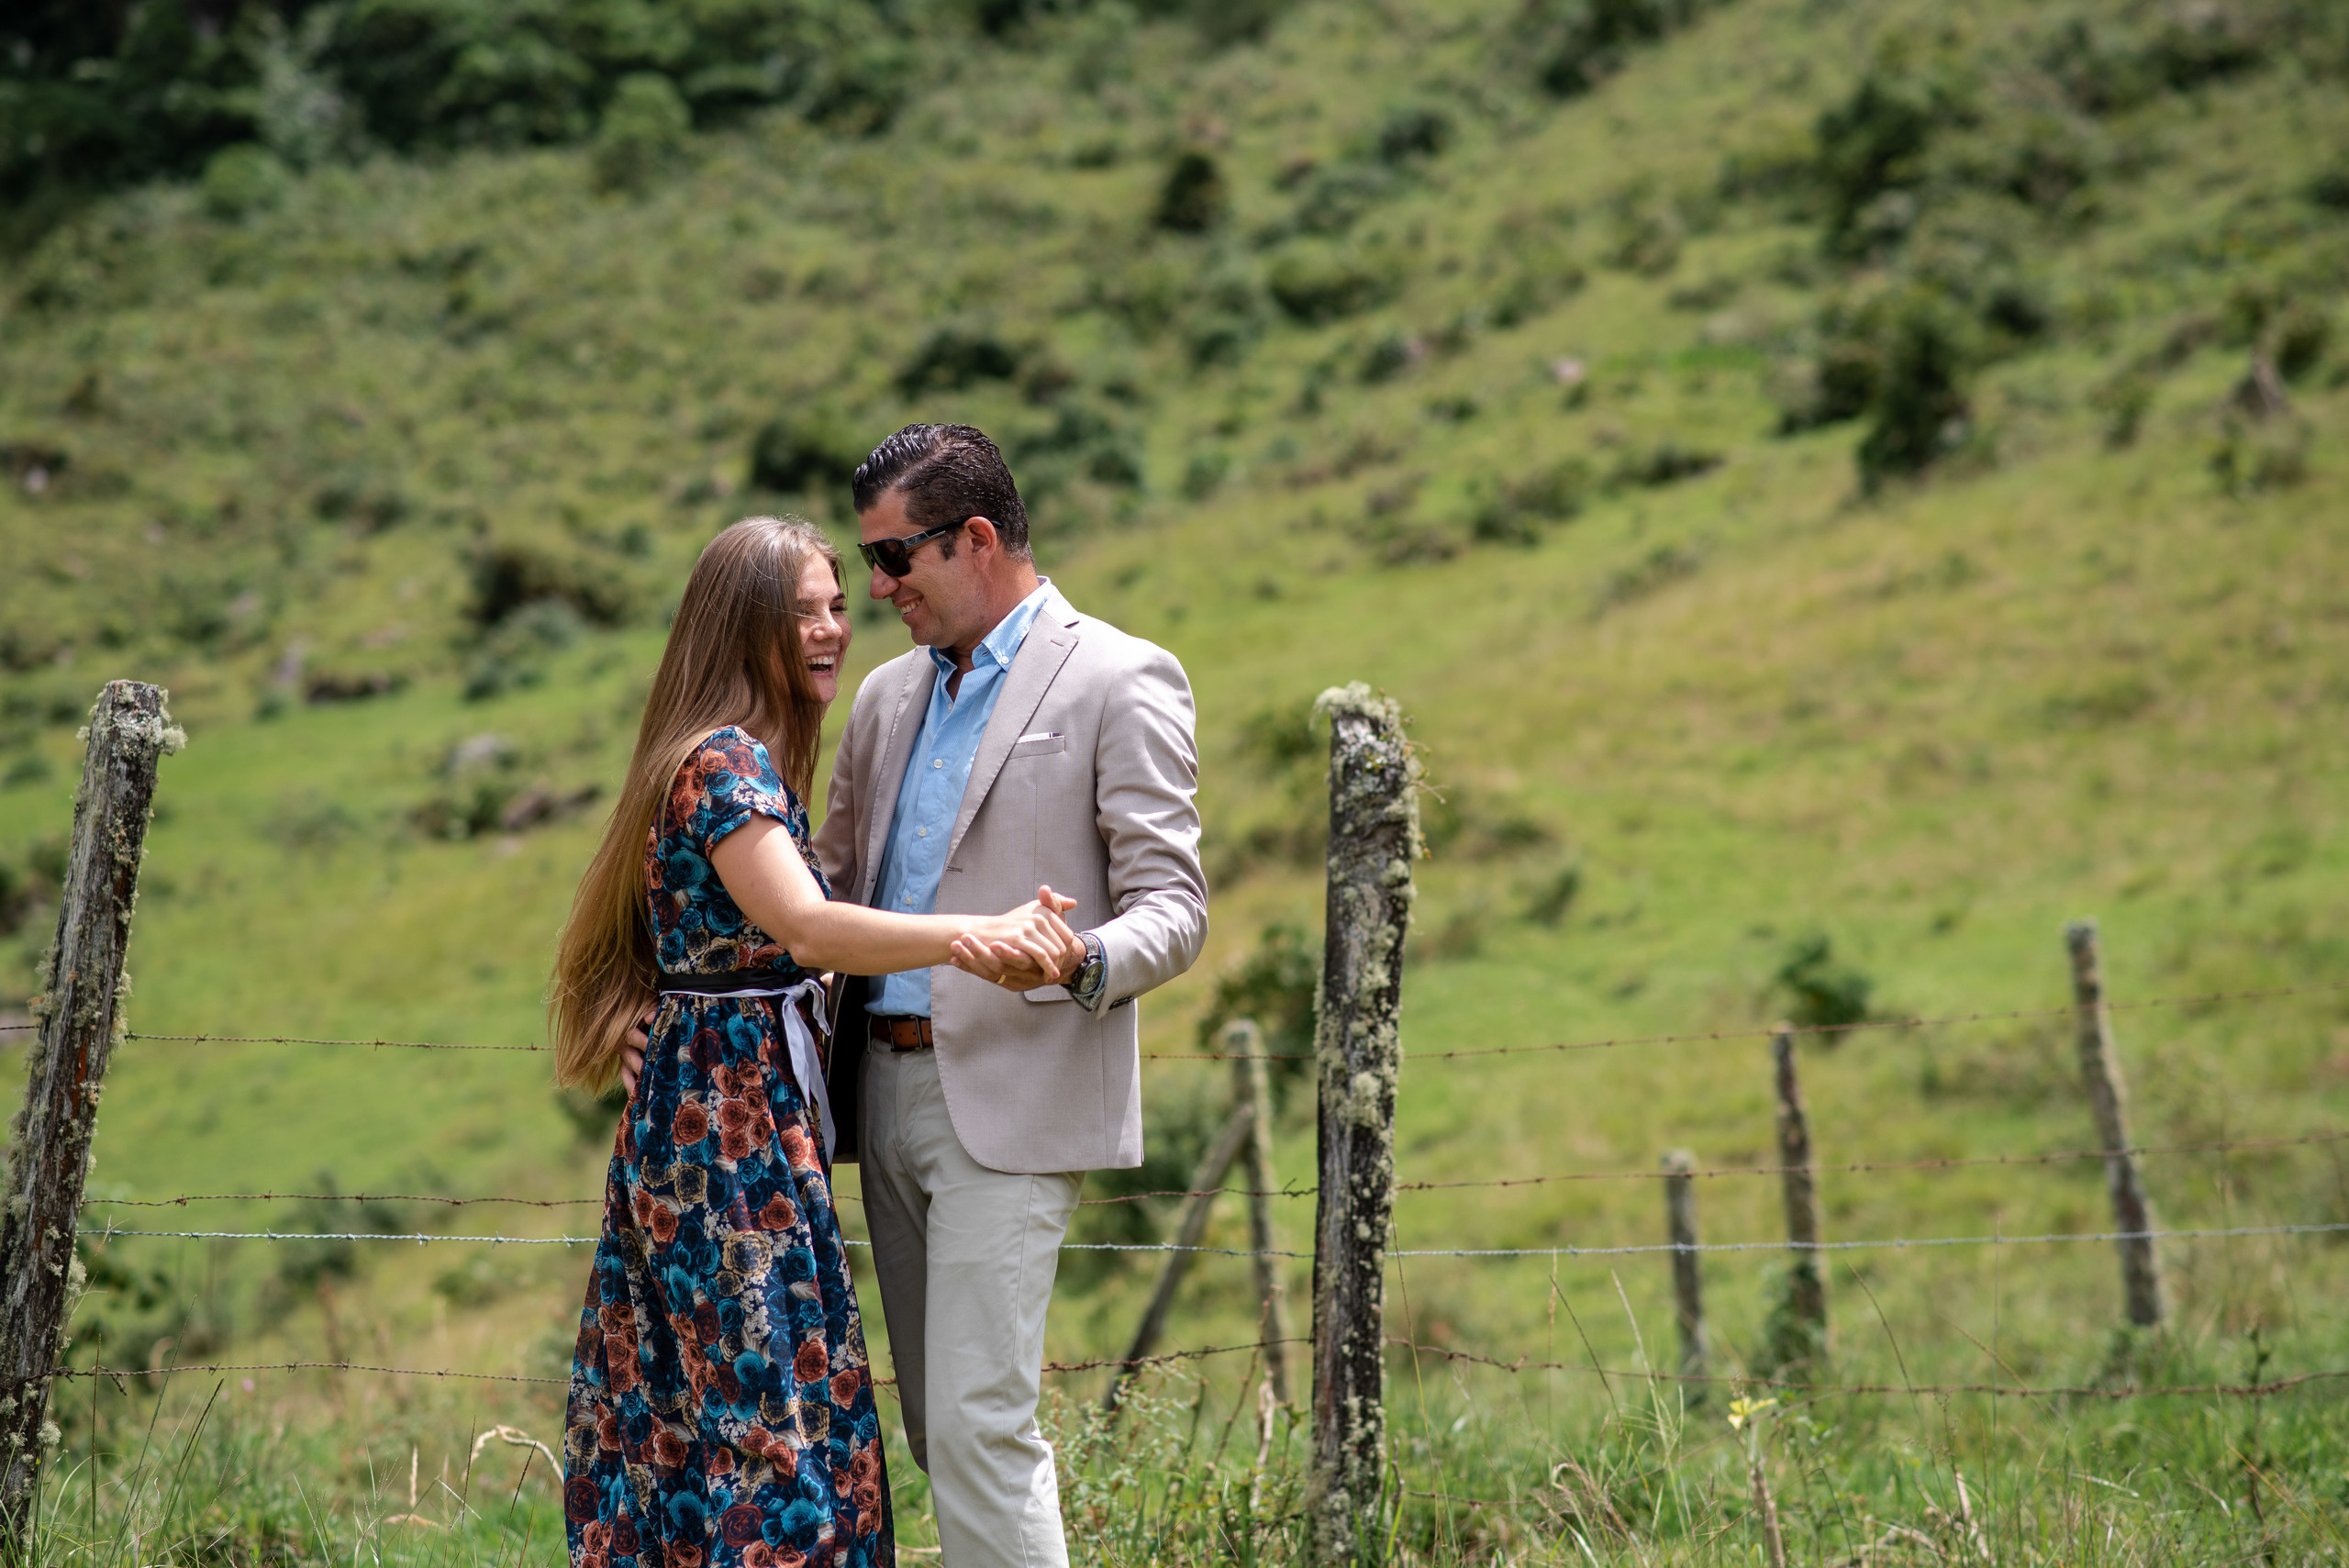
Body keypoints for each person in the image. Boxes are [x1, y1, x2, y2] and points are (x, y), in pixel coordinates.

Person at [549, 515, 1084, 1568]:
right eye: (803, 612)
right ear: (744, 626)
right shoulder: (727, 761)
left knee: (716, 1413)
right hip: (730, 1145)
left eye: (838, 604)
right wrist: (979, 934)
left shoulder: (716, 758)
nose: (833, 628)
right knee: (774, 1428)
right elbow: (806, 928)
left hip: (732, 1123)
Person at [813, 424, 1208, 1568]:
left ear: (976, 537)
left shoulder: (1118, 672)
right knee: (941, 1428)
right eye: (868, 560)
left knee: (983, 1423)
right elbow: (831, 888)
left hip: (1015, 1094)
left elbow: (1173, 907)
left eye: (895, 560)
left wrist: (1077, 960)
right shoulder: (887, 698)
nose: (874, 589)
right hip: (876, 1094)